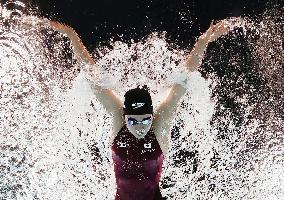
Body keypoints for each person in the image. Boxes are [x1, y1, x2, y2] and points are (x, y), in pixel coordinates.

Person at [41, 19, 230, 200]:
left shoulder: (160, 125)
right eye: (133, 121)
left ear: (152, 115)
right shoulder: (118, 120)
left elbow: (185, 77)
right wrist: (72, 35)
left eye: (145, 120)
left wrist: (203, 41)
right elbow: (93, 77)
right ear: (125, 117)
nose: (140, 127)